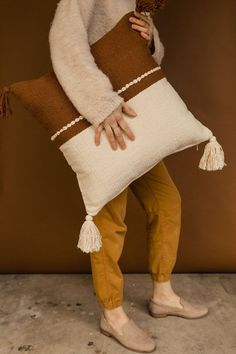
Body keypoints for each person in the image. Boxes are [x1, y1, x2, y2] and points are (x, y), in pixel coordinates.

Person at [49, 1, 209, 352]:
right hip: (100, 118)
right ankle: (113, 315)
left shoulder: (138, 0)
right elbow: (64, 43)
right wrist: (100, 104)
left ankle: (163, 294)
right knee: (110, 220)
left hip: (133, 116)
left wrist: (151, 41)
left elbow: (146, 61)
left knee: (167, 203)